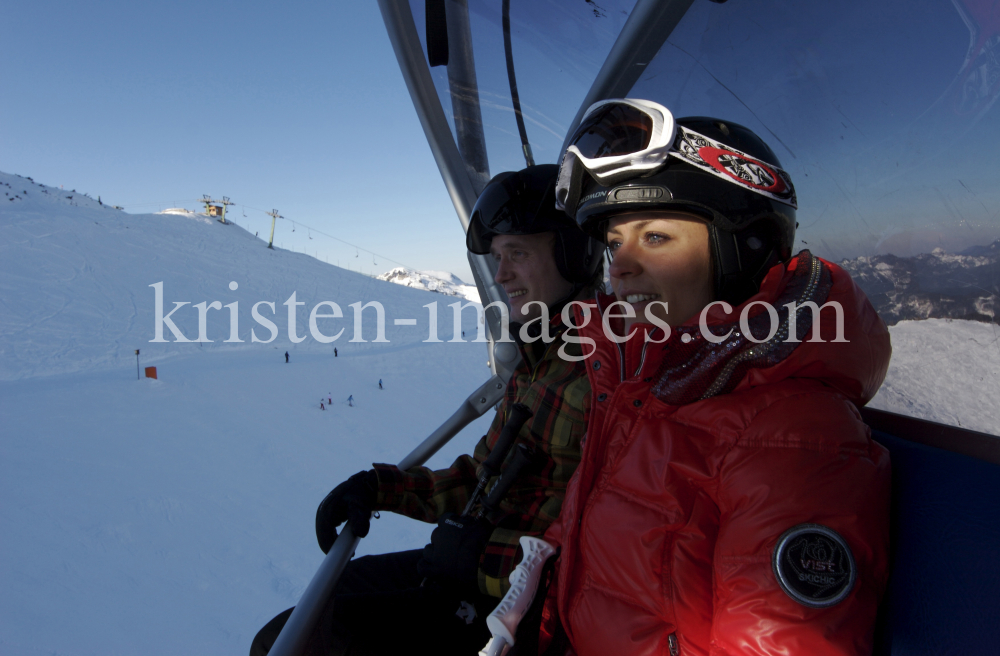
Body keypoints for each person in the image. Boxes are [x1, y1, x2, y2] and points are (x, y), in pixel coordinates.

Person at [531, 101, 891, 656]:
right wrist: (540, 578)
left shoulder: (792, 436)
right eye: (613, 243)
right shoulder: (639, 390)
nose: (619, 264)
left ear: (740, 252)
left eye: (654, 237)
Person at [250, 165, 605, 655]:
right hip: (467, 563)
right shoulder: (540, 360)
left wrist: (480, 559)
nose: (501, 276)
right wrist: (381, 487)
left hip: (511, 608)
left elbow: (605, 562)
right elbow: (481, 476)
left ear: (576, 253)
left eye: (517, 253)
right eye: (498, 257)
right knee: (311, 612)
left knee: (304, 643)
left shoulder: (607, 376)